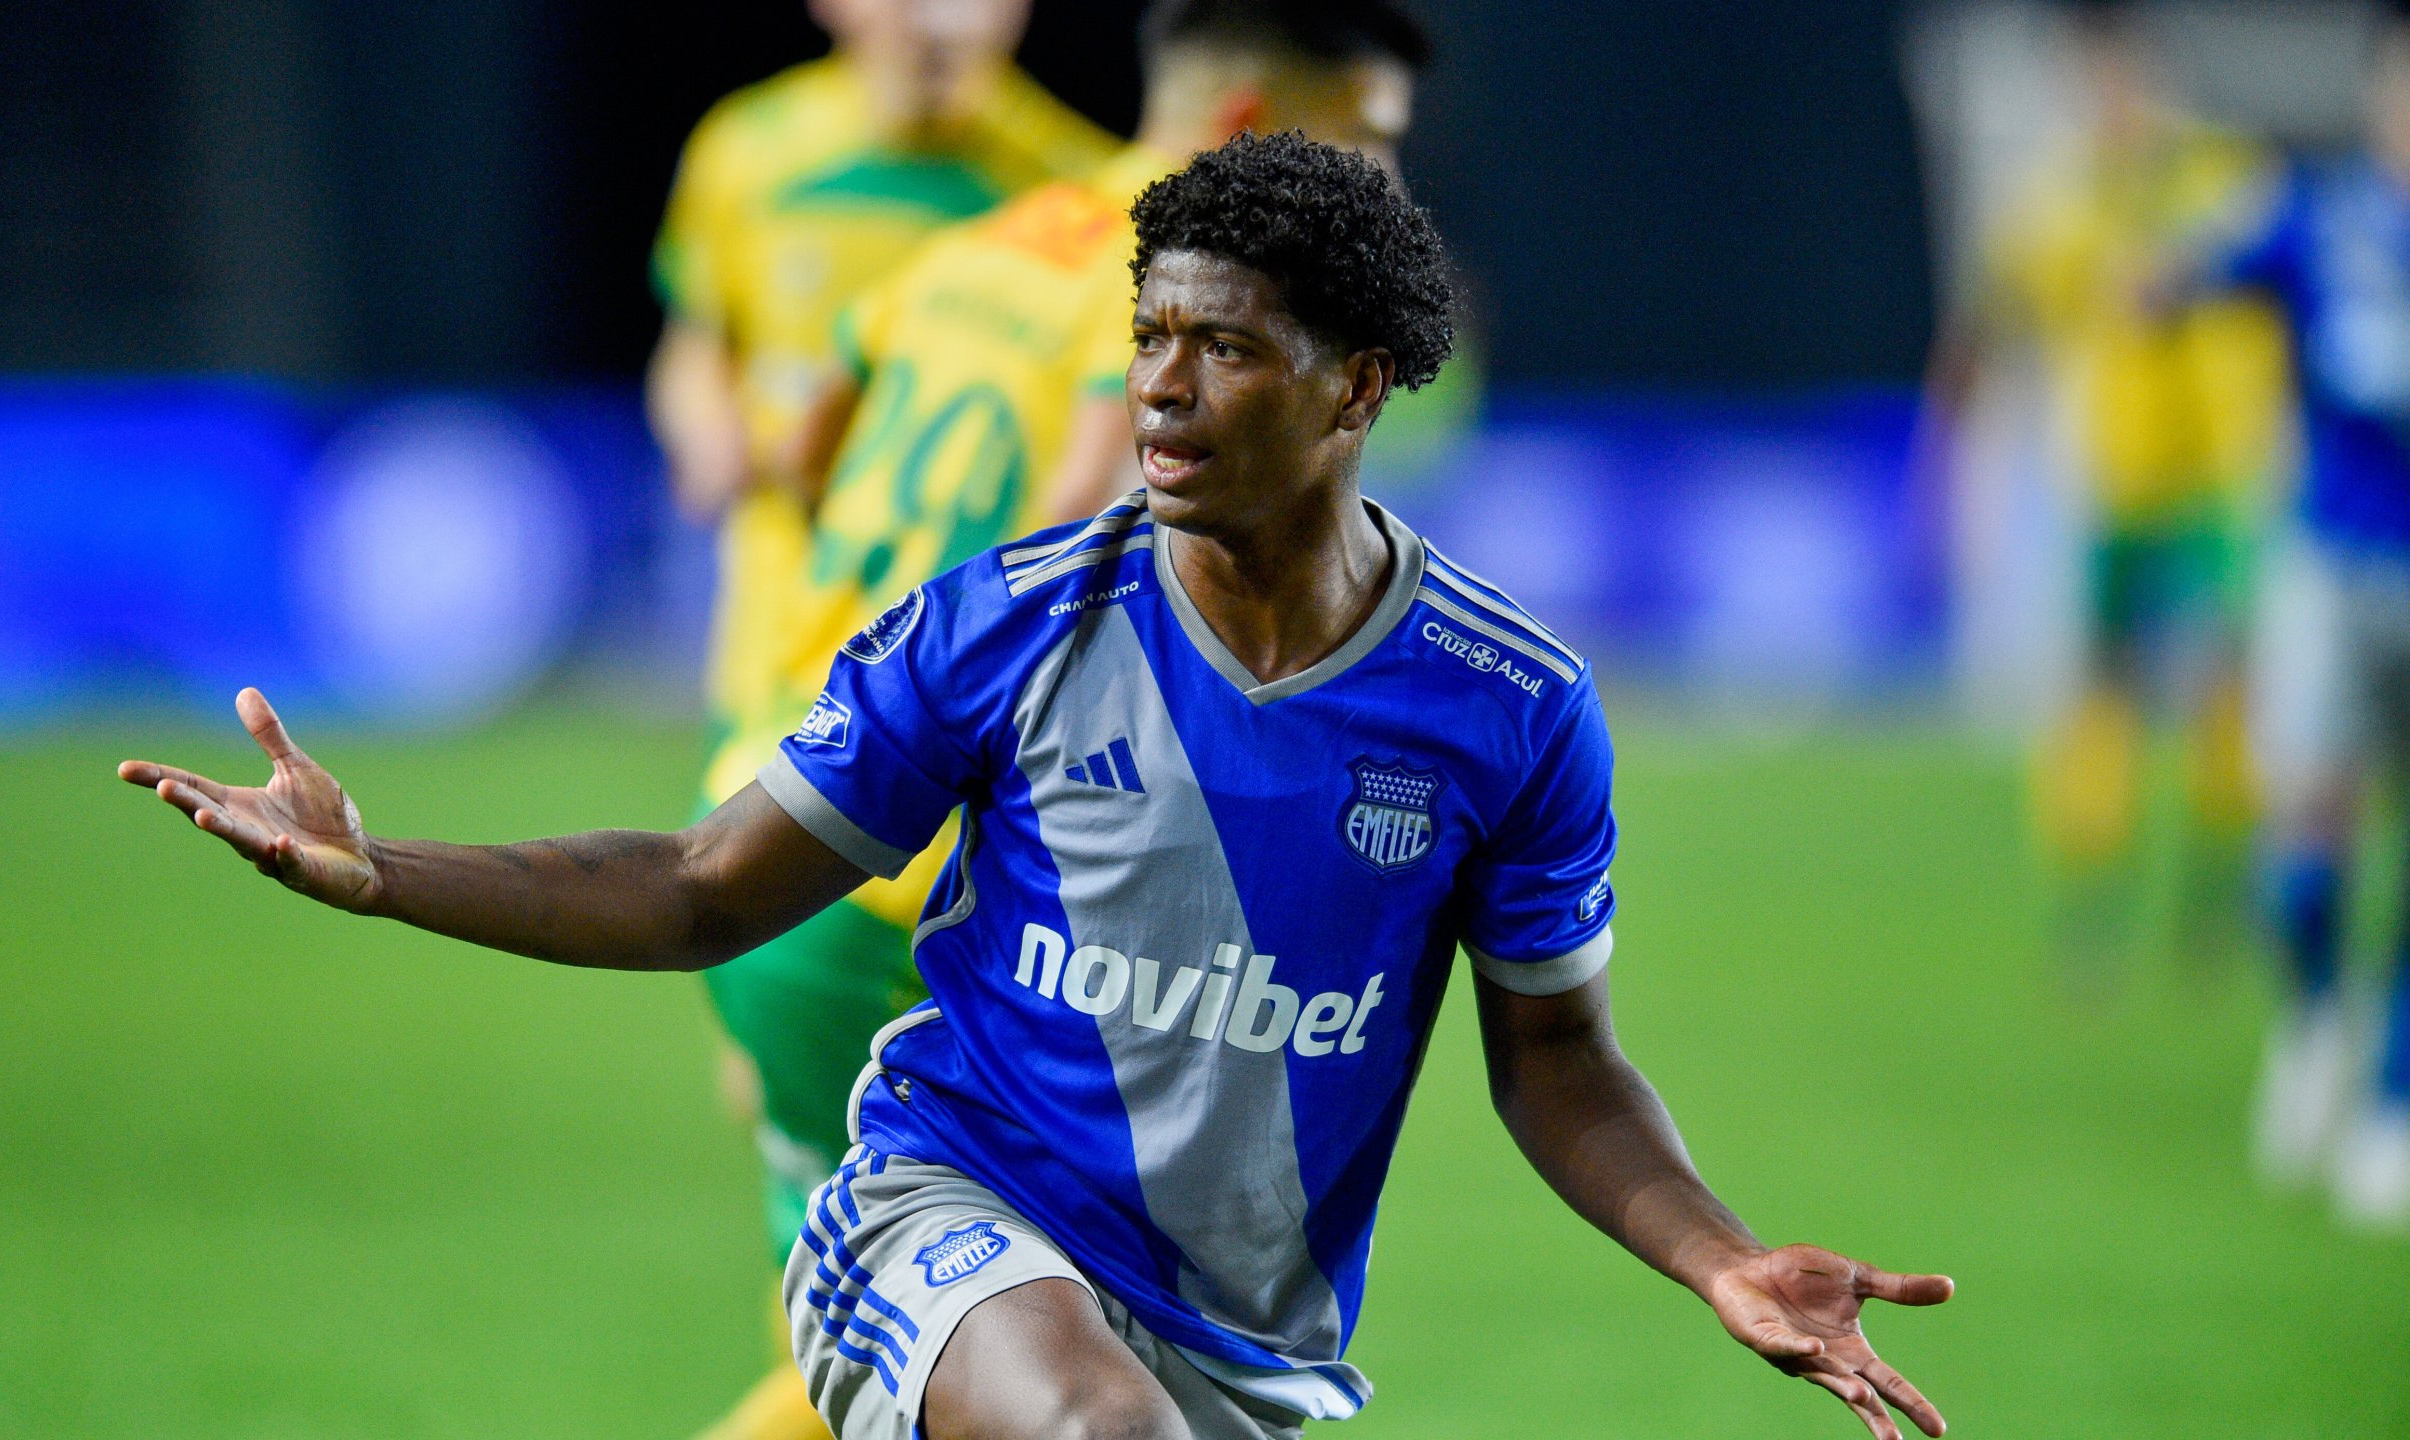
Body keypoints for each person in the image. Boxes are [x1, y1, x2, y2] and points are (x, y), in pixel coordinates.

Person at [120, 134, 1952, 1440]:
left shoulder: (1509, 707)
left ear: (1354, 388)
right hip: (938, 1213)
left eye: (1223, 347)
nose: (1159, 388)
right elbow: (701, 885)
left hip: (1239, 1345)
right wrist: (387, 870)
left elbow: (1557, 1062)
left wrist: (1721, 1260)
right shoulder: (1009, 624)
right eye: (1147, 335)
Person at [687, 5, 1430, 1424]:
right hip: (925, 890)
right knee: (1054, 1352)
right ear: (1251, 122)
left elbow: (800, 437)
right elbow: (1081, 535)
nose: (1390, 182)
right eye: (1370, 138)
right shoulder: (1182, 288)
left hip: (786, 817)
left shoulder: (988, 244)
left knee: (907, 1347)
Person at [644, 4, 1113, 1432]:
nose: (940, 17)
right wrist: (700, 426)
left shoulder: (1066, 181)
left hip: (906, 733)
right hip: (794, 698)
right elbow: (700, 340)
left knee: (910, 1239)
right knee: (995, 1262)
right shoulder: (752, 150)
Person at [1927, 0, 2286, 974]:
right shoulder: (2054, 202)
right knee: (2099, 696)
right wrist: (1950, 447)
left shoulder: (2225, 182)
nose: (2110, 96)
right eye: (2092, 81)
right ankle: (2092, 909)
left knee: (2232, 689)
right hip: (2111, 487)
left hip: (2220, 485)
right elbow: (1988, 323)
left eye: (2122, 75)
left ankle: (2222, 894)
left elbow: (2291, 302)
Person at [2199, 7, 2410, 1231]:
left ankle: (2391, 1104)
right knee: (2309, 830)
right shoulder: (2316, 212)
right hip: (2325, 564)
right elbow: (2195, 275)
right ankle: (2314, 1013)